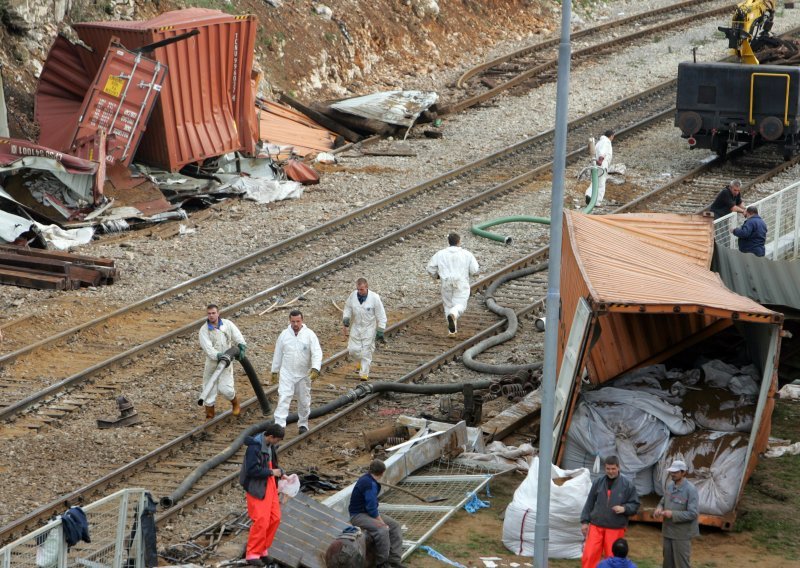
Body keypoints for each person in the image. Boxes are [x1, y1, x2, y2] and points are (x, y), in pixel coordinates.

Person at [580, 456, 640, 568]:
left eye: (613, 468)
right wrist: (584, 521)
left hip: (615, 528)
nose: (610, 471)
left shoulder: (628, 485)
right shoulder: (598, 482)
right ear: (605, 468)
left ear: (618, 467)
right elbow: (589, 503)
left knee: (613, 559)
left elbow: (635, 505)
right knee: (589, 556)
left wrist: (624, 508)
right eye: (608, 468)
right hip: (596, 526)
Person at [240, 423, 286, 567]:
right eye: (277, 440)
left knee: (275, 518)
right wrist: (272, 472)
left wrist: (281, 473)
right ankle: (252, 554)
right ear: (270, 437)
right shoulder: (254, 448)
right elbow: (252, 470)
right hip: (257, 487)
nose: (277, 443)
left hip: (269, 484)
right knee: (261, 521)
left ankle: (262, 549)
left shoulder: (269, 445)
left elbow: (272, 465)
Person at [271, 309, 322, 434]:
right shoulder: (284, 335)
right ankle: (279, 426)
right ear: (290, 321)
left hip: (304, 374)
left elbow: (317, 352)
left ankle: (303, 424)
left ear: (302, 320)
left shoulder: (309, 335)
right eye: (293, 321)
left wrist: (316, 368)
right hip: (287, 373)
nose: (295, 324)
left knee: (304, 401)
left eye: (297, 321)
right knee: (283, 398)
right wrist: (275, 370)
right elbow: (278, 353)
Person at [348, 459, 406, 568]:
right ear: (382, 472)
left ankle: (394, 561)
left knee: (395, 526)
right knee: (383, 530)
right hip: (358, 516)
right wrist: (381, 522)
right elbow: (372, 508)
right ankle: (381, 563)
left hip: (366, 513)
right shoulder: (370, 484)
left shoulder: (369, 479)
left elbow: (371, 509)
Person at [198, 304, 246, 420]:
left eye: (213, 313)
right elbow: (208, 349)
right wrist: (218, 355)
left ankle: (235, 403)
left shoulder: (227, 324)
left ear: (218, 313)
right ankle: (210, 415)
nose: (211, 316)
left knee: (226, 389)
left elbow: (237, 335)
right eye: (209, 313)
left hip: (226, 363)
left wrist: (241, 345)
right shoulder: (204, 330)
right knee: (209, 389)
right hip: (212, 363)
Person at [426, 233, 479, 336]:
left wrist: (436, 276)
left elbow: (430, 268)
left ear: (448, 242)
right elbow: (474, 270)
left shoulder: (440, 254)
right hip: (461, 282)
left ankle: (452, 331)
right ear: (459, 241)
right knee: (460, 305)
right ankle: (453, 314)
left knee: (448, 305)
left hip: (446, 282)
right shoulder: (467, 254)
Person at [654, 460, 699, 568]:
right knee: (667, 564)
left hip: (681, 535)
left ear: (683, 473)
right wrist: (659, 508)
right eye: (671, 471)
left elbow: (693, 514)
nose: (672, 474)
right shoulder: (670, 486)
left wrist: (673, 514)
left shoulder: (690, 490)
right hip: (668, 532)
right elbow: (663, 501)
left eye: (676, 472)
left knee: (681, 564)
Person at [342, 278, 387, 381]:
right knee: (353, 350)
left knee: (366, 351)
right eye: (358, 289)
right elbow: (348, 307)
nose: (359, 291)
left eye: (361, 289)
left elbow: (381, 315)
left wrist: (380, 329)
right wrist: (346, 318)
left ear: (366, 287)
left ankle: (364, 374)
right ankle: (359, 361)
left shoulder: (374, 298)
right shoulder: (353, 296)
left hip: (369, 328)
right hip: (356, 327)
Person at [584, 129, 615, 205]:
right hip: (602, 165)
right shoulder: (606, 142)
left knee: (595, 181)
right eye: (613, 136)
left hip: (596, 164)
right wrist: (601, 159)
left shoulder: (599, 142)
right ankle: (597, 201)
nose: (613, 138)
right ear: (611, 136)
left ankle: (588, 194)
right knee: (601, 184)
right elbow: (603, 151)